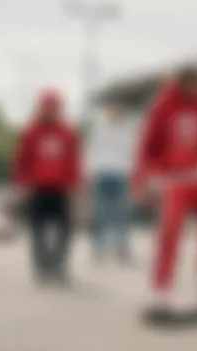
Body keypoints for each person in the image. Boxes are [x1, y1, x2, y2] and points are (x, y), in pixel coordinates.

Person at [132, 66, 197, 321]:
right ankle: (161, 290)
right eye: (196, 83)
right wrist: (140, 179)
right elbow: (146, 144)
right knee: (171, 229)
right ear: (183, 82)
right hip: (173, 178)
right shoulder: (162, 105)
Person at [12, 89, 80, 285]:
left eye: (54, 108)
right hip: (37, 188)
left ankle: (58, 266)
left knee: (65, 229)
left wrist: (74, 183)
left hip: (60, 188)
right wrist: (22, 183)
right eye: (47, 108)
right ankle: (43, 268)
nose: (51, 111)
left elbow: (73, 160)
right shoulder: (30, 131)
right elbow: (21, 159)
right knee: (38, 231)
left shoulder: (67, 132)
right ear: (40, 109)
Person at [85, 101, 134, 262]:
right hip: (101, 174)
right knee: (99, 213)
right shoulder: (99, 131)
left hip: (119, 175)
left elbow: (131, 154)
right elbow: (90, 152)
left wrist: (131, 174)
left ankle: (121, 246)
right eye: (112, 112)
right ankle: (98, 247)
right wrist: (88, 173)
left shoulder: (126, 132)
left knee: (121, 213)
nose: (115, 116)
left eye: (118, 113)